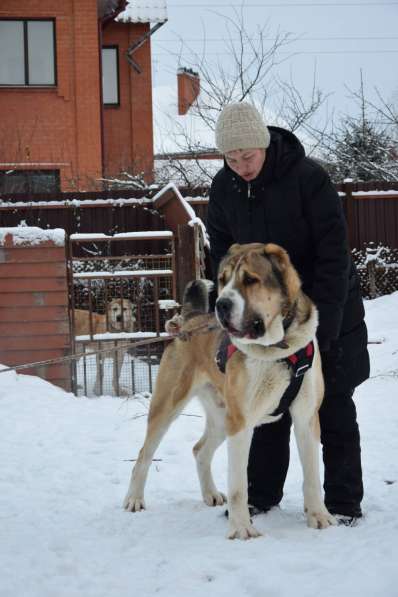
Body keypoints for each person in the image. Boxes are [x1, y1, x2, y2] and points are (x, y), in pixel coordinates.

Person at [206, 101, 370, 525]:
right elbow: (221, 260)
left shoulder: (308, 179)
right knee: (262, 402)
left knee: (331, 400)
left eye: (248, 155)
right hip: (261, 318)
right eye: (231, 157)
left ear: (263, 145)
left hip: (325, 307)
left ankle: (343, 501)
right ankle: (260, 494)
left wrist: (326, 326)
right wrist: (228, 314)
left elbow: (335, 256)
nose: (240, 165)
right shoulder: (223, 189)